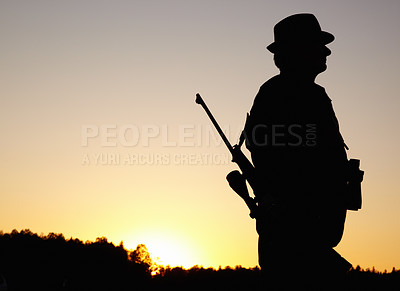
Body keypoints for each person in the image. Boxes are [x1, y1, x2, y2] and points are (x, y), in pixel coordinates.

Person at [244, 14, 352, 290]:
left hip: (311, 232)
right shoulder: (279, 95)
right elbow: (278, 161)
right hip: (293, 235)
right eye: (316, 46)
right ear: (295, 53)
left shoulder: (312, 95)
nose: (325, 52)